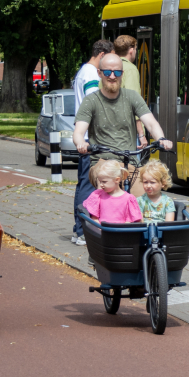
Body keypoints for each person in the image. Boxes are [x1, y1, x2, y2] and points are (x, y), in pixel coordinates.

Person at [73, 52, 174, 191]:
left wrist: (161, 139)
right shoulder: (90, 100)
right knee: (110, 189)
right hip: (102, 163)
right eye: (107, 72)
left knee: (143, 199)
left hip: (129, 164)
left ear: (122, 73)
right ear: (99, 73)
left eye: (117, 72)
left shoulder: (132, 97)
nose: (112, 76)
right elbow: (78, 132)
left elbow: (151, 123)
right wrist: (81, 144)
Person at [71, 39, 114, 246]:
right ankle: (82, 231)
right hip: (91, 139)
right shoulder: (90, 74)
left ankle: (78, 229)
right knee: (89, 185)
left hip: (85, 137)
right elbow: (94, 102)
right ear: (102, 54)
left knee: (84, 184)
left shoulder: (82, 71)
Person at [114, 35, 146, 146]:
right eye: (136, 49)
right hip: (126, 133)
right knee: (130, 163)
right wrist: (141, 134)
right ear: (131, 50)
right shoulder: (130, 69)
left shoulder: (108, 67)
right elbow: (134, 103)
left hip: (108, 130)